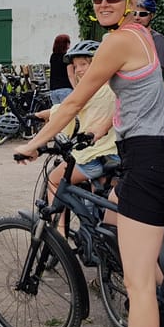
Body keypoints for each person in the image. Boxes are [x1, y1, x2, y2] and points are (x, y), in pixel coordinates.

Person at [14, 0, 164, 327]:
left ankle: (151, 307)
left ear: (129, 2)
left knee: (136, 286)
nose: (104, 3)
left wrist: (34, 143)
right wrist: (103, 128)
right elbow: (134, 100)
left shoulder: (118, 41)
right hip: (149, 156)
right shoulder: (141, 36)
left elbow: (73, 101)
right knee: (114, 225)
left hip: (146, 162)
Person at [33, 40, 118, 222]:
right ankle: (95, 234)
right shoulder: (113, 87)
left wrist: (41, 114)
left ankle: (60, 237)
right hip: (114, 153)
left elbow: (68, 109)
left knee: (54, 181)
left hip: (94, 154)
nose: (78, 70)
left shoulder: (90, 90)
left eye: (84, 64)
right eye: (76, 65)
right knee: (99, 198)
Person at [133, 0, 164, 79]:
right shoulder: (130, 37)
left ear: (152, 16)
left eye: (143, 14)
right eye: (134, 13)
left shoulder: (157, 39)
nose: (137, 17)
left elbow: (158, 71)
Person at [48, 33, 74, 104]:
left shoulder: (53, 57)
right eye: (68, 43)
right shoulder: (67, 57)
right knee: (69, 112)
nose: (69, 45)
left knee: (57, 112)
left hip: (53, 90)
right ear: (65, 44)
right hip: (65, 89)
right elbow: (70, 75)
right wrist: (76, 88)